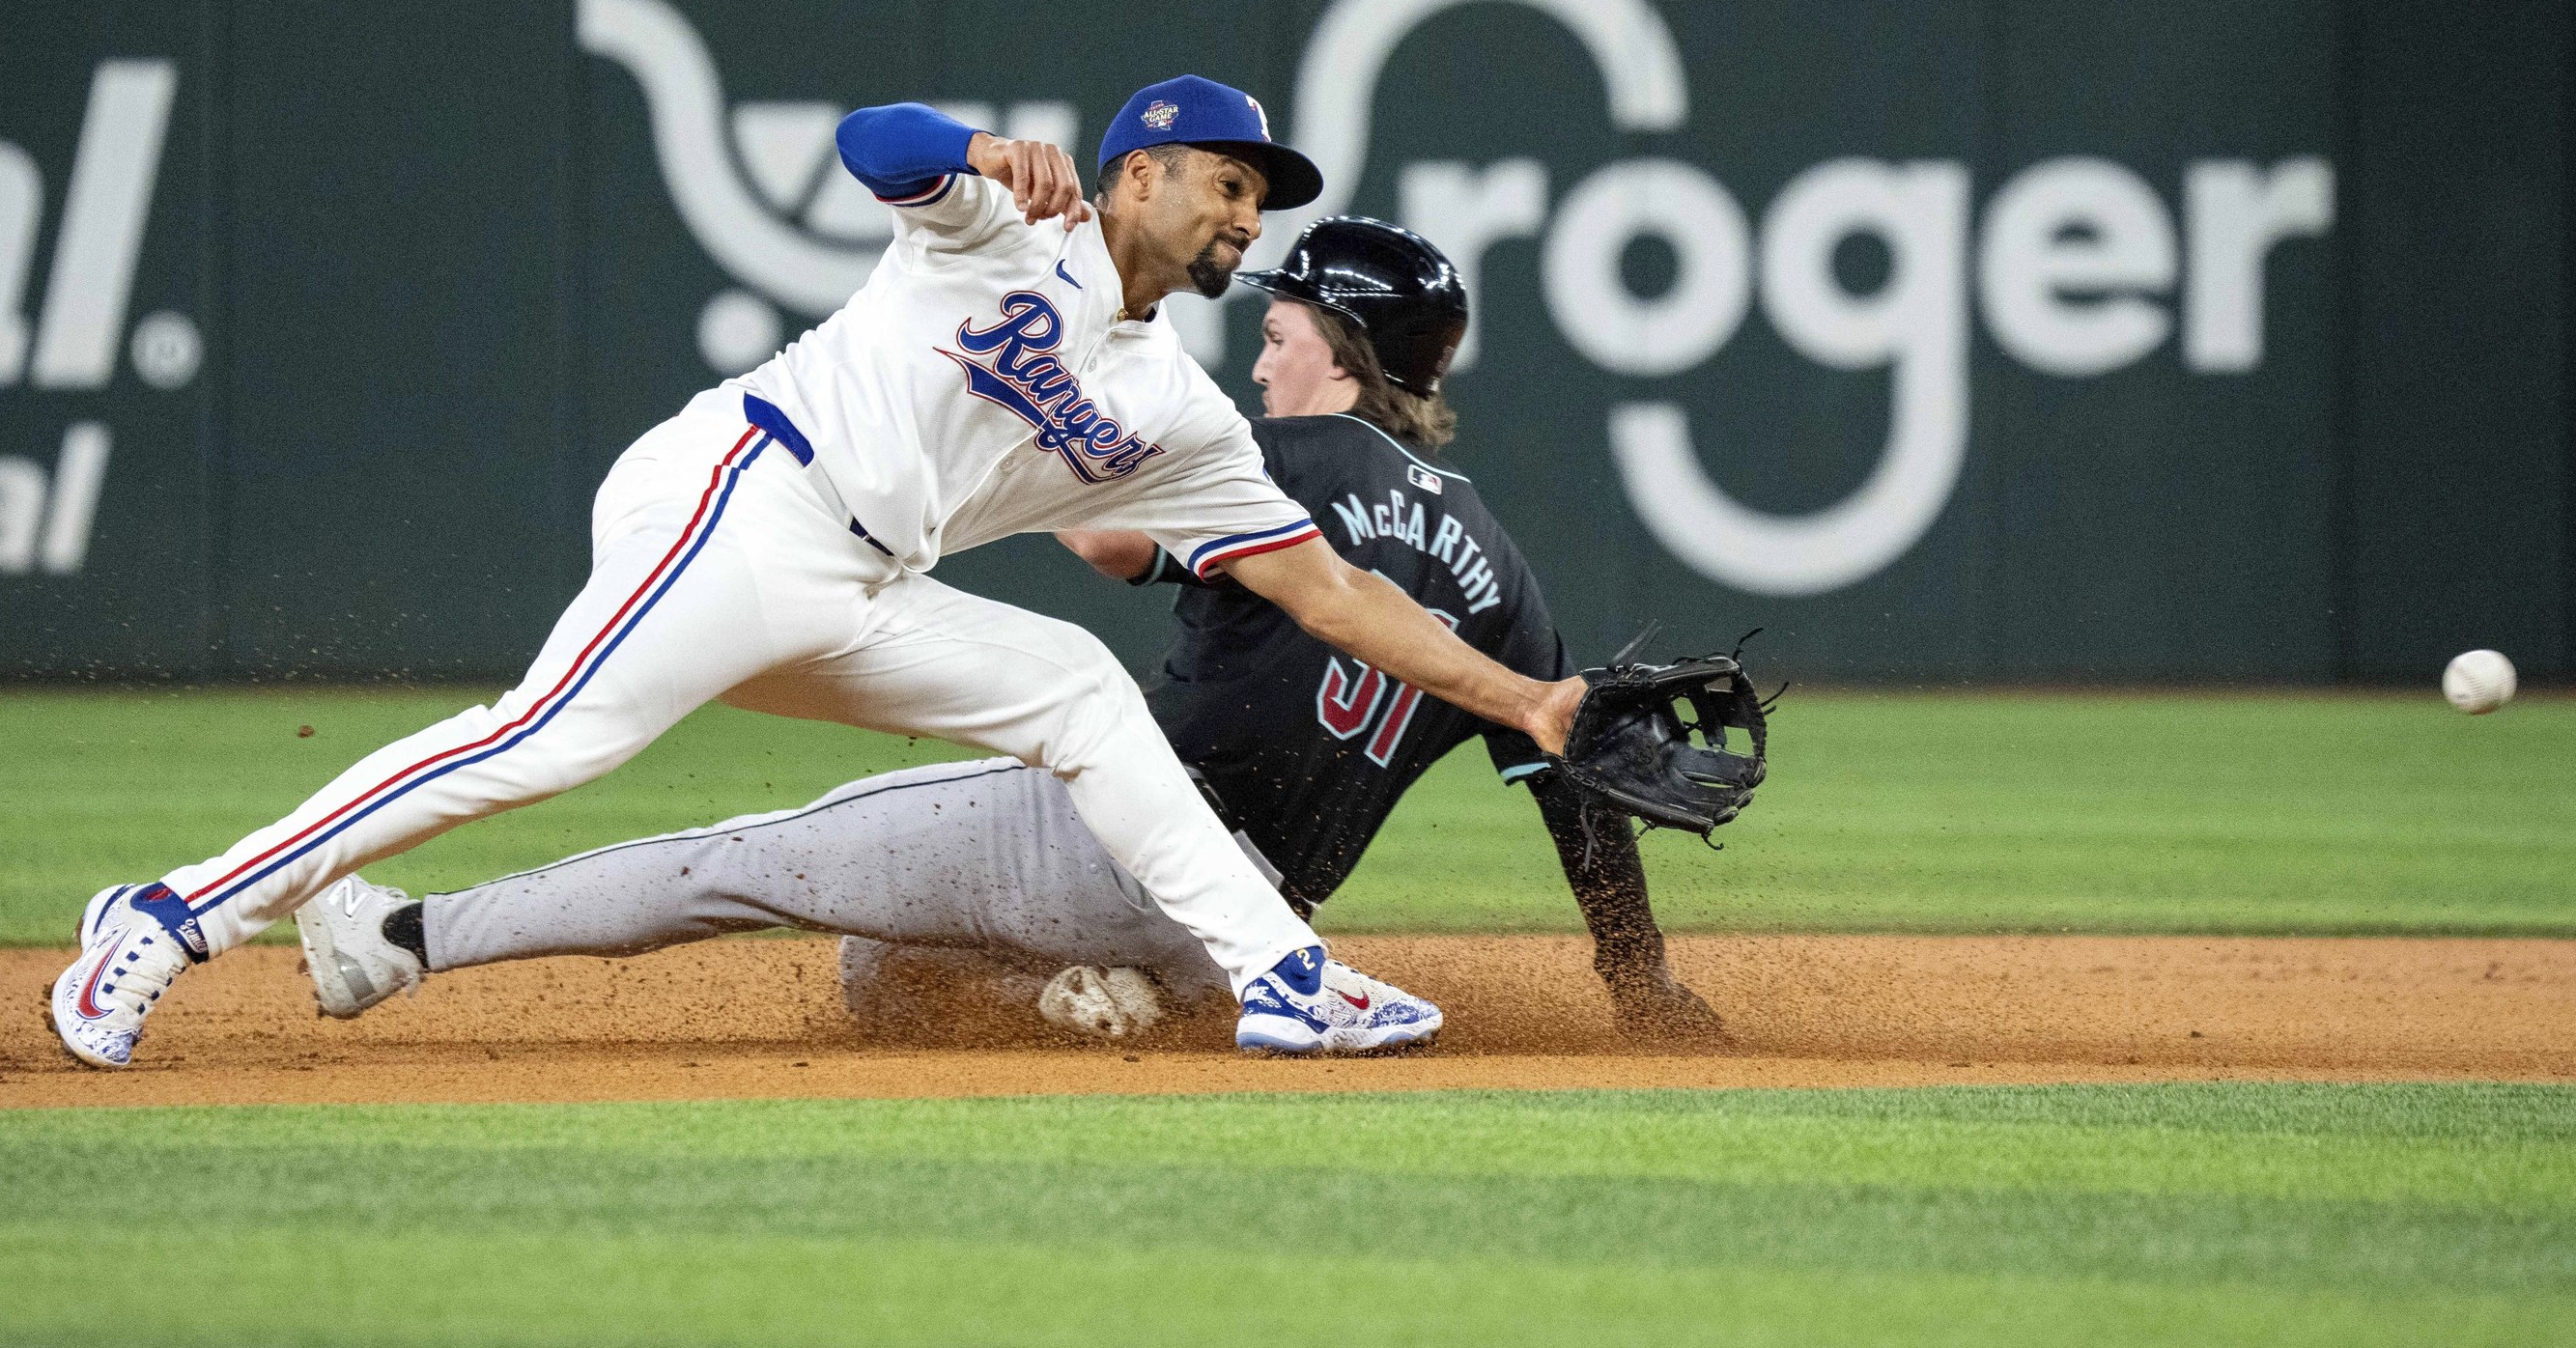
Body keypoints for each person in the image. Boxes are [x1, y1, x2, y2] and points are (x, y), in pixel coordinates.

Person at [51, 81, 1594, 1070]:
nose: (1248, 217)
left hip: (859, 586)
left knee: (1073, 686)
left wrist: (1526, 696)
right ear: (1137, 177)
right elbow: (869, 143)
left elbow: (1332, 593)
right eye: (1224, 182)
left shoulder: (1175, 410)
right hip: (746, 496)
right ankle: (169, 914)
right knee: (548, 740)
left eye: (1264, 200)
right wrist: (966, 144)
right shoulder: (1014, 227)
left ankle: (1285, 980)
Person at [293, 219, 1724, 1049]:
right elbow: (1577, 799)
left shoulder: (1263, 460)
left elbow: (1106, 540)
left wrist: (1033, 425)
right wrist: (1637, 982)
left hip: (1118, 837)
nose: (1267, 342)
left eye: (1287, 322)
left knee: (736, 867)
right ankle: (1088, 997)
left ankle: (399, 936)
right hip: (1252, 923)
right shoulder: (1504, 567)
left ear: (1344, 352)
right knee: (881, 971)